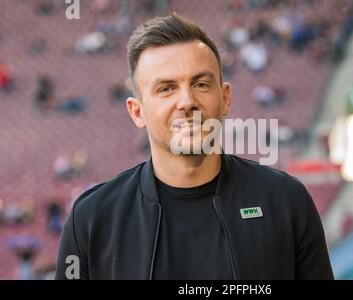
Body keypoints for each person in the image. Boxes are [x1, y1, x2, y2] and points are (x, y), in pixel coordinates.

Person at [56, 13, 334, 280]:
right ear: (137, 112)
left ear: (225, 98)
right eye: (166, 88)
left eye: (200, 84)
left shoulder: (285, 201)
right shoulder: (92, 220)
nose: (187, 101)